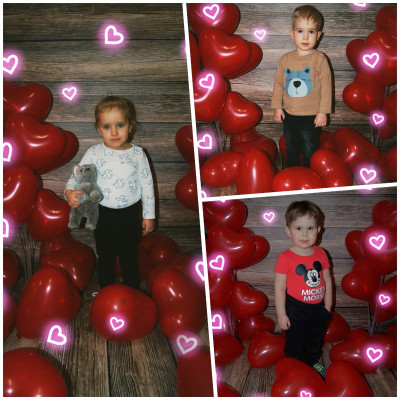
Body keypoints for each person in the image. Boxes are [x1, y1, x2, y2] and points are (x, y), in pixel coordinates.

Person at [65, 95, 155, 290]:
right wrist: (69, 191)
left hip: (130, 214)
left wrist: (149, 215)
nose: (114, 132)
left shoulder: (137, 154)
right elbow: (77, 175)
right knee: (105, 255)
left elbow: (147, 185)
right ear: (99, 129)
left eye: (120, 125)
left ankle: (132, 290)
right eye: (107, 127)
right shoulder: (94, 152)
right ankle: (105, 289)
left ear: (130, 126)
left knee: (129, 255)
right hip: (103, 214)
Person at [274, 200, 333, 378]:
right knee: (295, 341)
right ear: (288, 231)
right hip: (296, 309)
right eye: (298, 228)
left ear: (319, 229)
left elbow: (327, 280)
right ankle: (294, 369)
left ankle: (312, 363)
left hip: (319, 308)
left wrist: (327, 307)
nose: (305, 234)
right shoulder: (285, 257)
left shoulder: (321, 254)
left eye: (310, 228)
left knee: (315, 339)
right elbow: (279, 288)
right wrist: (281, 314)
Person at [271, 5, 332, 168]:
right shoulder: (285, 59)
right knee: (291, 145)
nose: (305, 36)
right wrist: (277, 107)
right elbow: (278, 84)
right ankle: (292, 170)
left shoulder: (320, 59)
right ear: (292, 34)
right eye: (300, 31)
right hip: (289, 114)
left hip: (311, 116)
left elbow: (326, 87)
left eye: (311, 31)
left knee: (310, 147)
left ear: (318, 35)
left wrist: (323, 112)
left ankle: (308, 171)